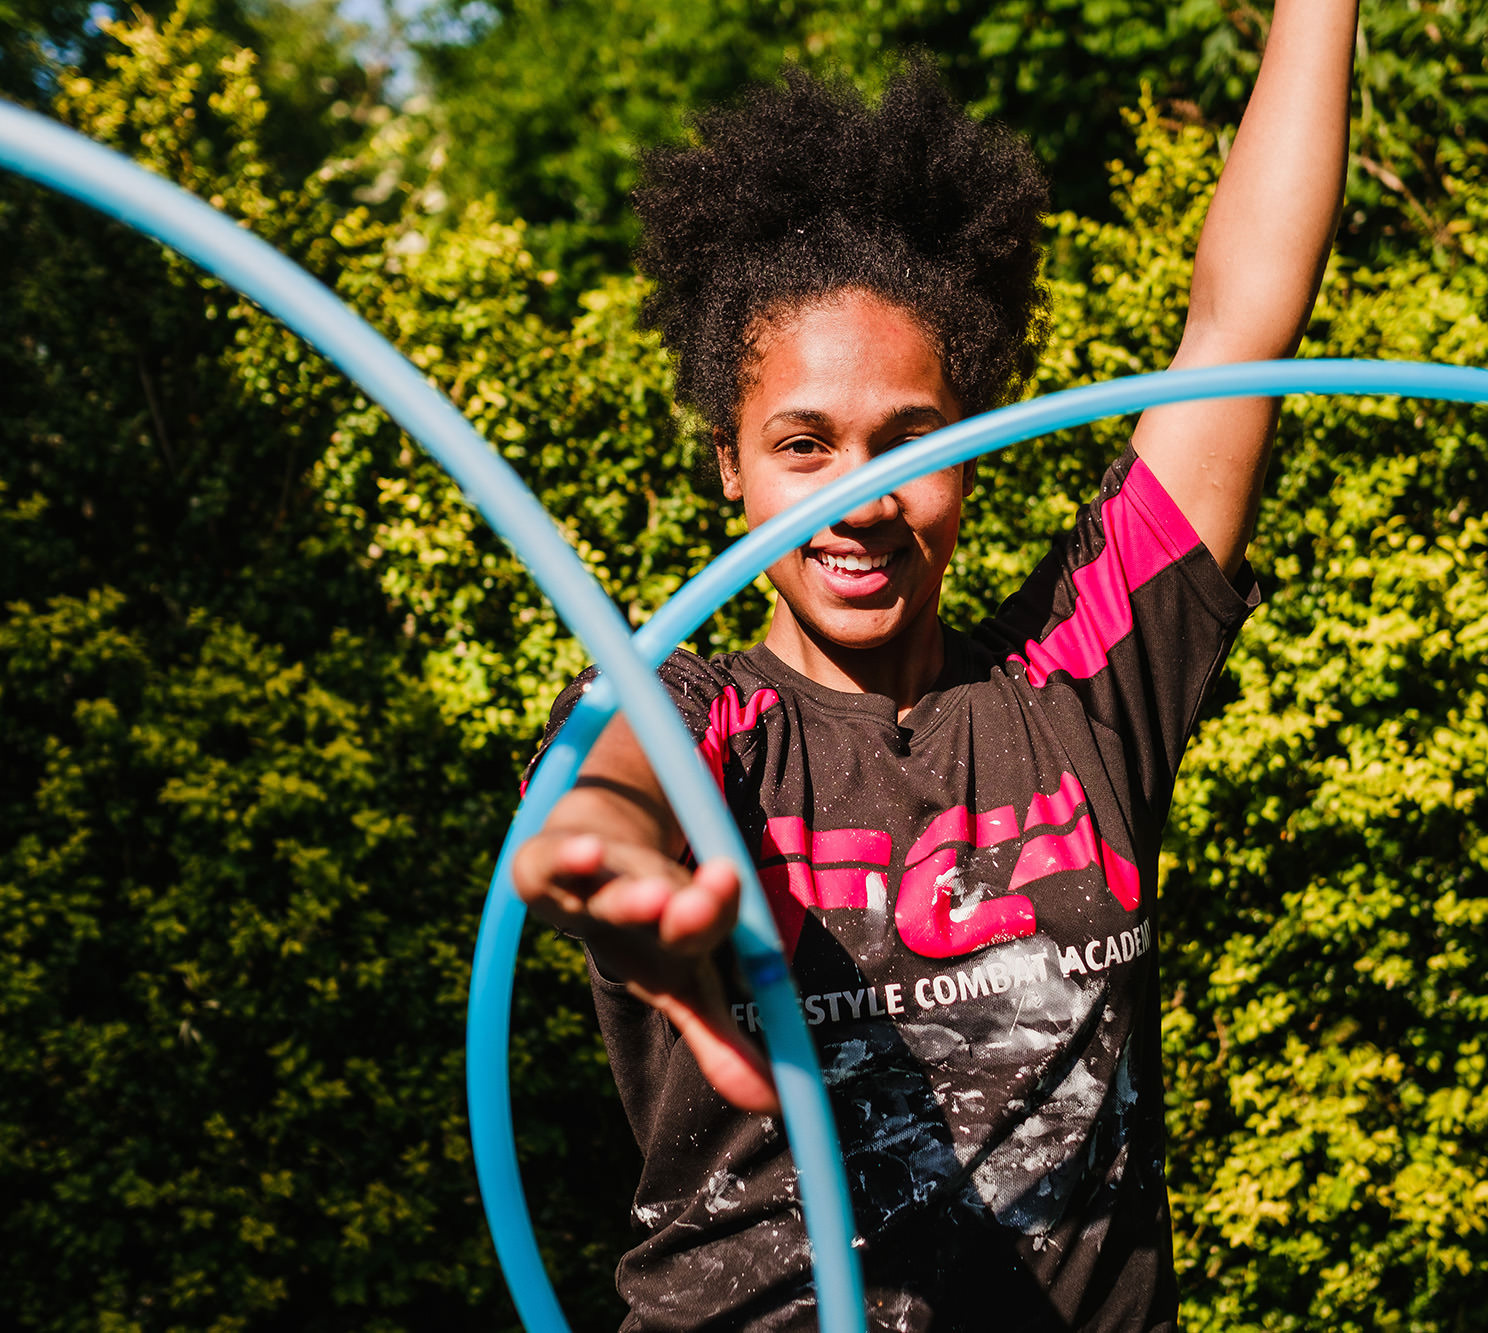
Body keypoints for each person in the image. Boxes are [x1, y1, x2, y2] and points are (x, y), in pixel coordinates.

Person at [513, 4, 1359, 1327]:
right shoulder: (695, 708)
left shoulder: (1089, 672)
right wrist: (613, 861)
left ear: (968, 450)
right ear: (727, 467)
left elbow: (1242, 317)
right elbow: (619, 785)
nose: (860, 502)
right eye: (804, 445)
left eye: (909, 441)